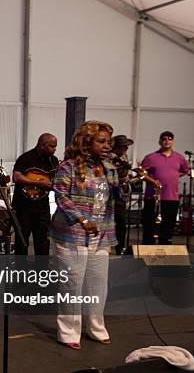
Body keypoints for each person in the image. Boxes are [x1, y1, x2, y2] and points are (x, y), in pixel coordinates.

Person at [51, 120, 126, 350]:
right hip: (72, 233)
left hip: (101, 234)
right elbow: (61, 196)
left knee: (97, 285)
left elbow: (120, 197)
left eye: (108, 142)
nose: (106, 146)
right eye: (101, 141)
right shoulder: (69, 166)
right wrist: (81, 220)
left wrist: (121, 174)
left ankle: (96, 327)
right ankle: (68, 332)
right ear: (87, 142)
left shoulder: (108, 167)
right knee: (72, 284)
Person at [12, 133, 58, 255]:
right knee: (22, 242)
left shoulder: (53, 161)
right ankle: (20, 272)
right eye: (51, 146)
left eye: (55, 146)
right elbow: (16, 177)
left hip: (42, 207)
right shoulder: (26, 158)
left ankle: (41, 271)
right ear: (41, 145)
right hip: (23, 207)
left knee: (43, 242)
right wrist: (38, 183)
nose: (54, 149)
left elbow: (54, 181)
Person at [140, 131, 189, 245]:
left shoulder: (179, 158)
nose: (167, 141)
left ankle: (165, 248)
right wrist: (153, 181)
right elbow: (141, 173)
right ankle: (148, 247)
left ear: (172, 141)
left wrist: (173, 176)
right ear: (160, 141)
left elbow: (185, 171)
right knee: (149, 224)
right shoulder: (150, 157)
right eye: (164, 139)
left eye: (169, 139)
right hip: (153, 197)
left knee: (168, 224)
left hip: (171, 197)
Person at [109, 135, 134, 254]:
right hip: (109, 191)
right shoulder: (109, 157)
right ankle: (106, 246)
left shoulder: (124, 156)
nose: (125, 149)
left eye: (126, 147)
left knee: (121, 220)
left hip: (120, 191)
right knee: (107, 220)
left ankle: (120, 248)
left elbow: (126, 171)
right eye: (123, 147)